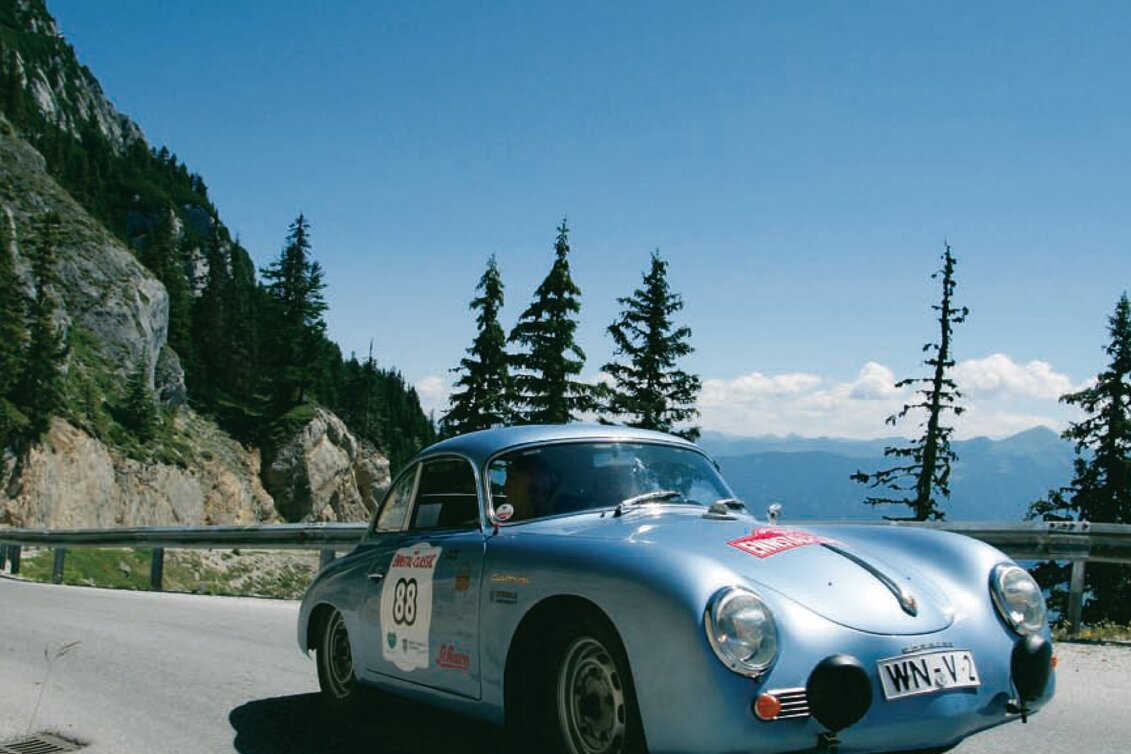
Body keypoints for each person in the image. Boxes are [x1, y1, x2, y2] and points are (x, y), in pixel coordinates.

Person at [502, 454, 555, 521]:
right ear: (510, 486)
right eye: (532, 490)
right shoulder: (491, 520)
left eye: (544, 493)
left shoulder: (551, 523)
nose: (539, 499)